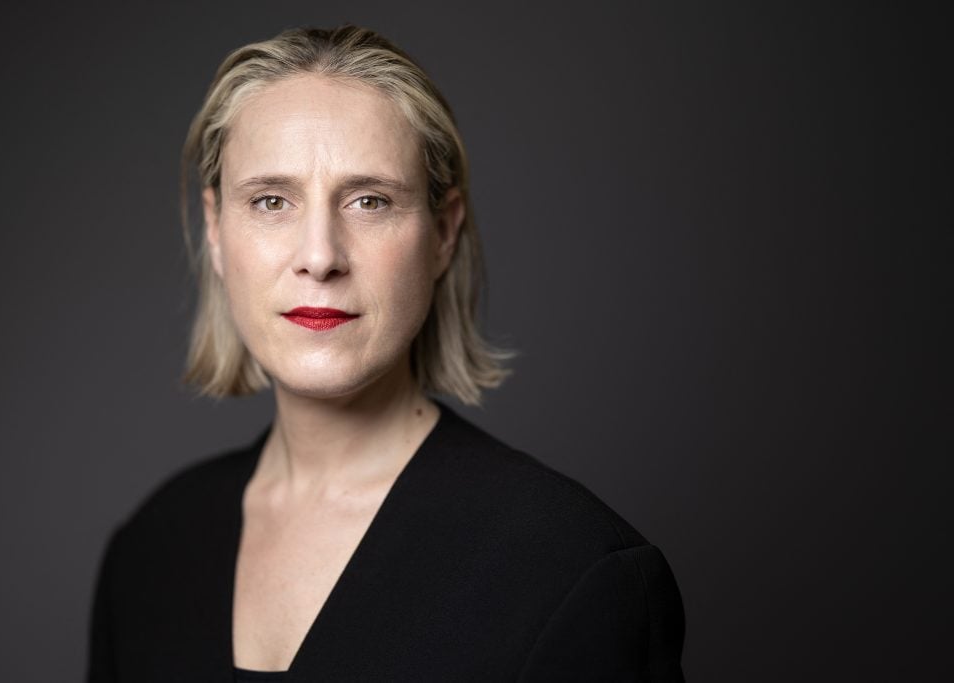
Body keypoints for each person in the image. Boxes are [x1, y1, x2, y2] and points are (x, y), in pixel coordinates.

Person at [87, 25, 685, 682]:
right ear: (216, 230)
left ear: (443, 233)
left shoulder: (574, 568)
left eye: (370, 200)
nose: (319, 256)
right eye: (271, 200)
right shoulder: (150, 549)